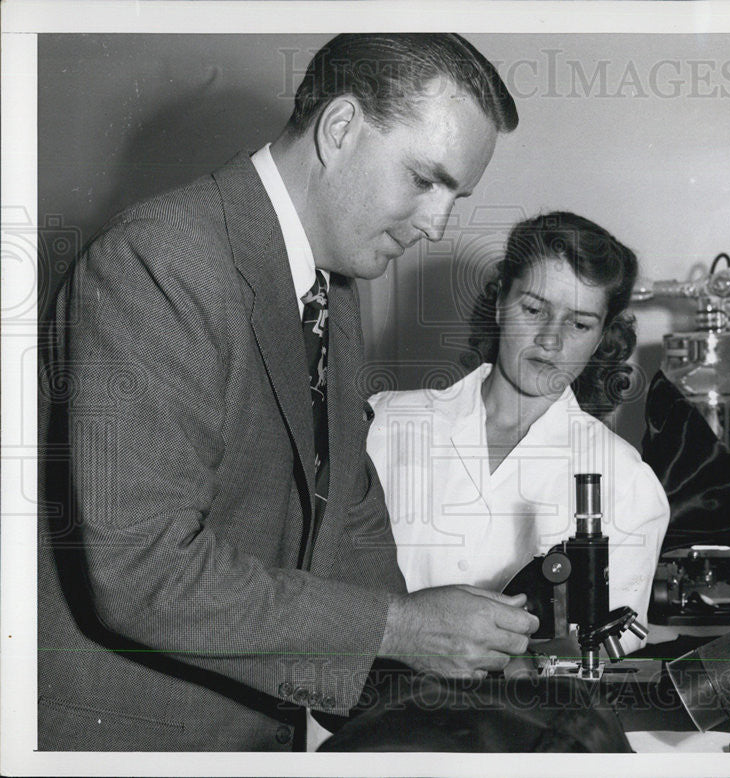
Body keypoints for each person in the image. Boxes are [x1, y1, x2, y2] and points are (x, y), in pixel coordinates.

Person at [38, 33, 537, 752]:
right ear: (339, 130)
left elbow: (347, 508)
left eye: (457, 195)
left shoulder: (329, 281)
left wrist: (435, 680)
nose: (437, 224)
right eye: (425, 179)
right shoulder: (159, 262)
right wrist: (399, 628)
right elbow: (144, 569)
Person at [366, 211, 671, 655]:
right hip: (364, 720)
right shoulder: (382, 427)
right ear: (498, 304)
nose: (551, 339)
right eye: (533, 309)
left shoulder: (626, 484)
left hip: (520, 722)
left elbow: (597, 659)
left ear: (603, 335)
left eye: (580, 323)